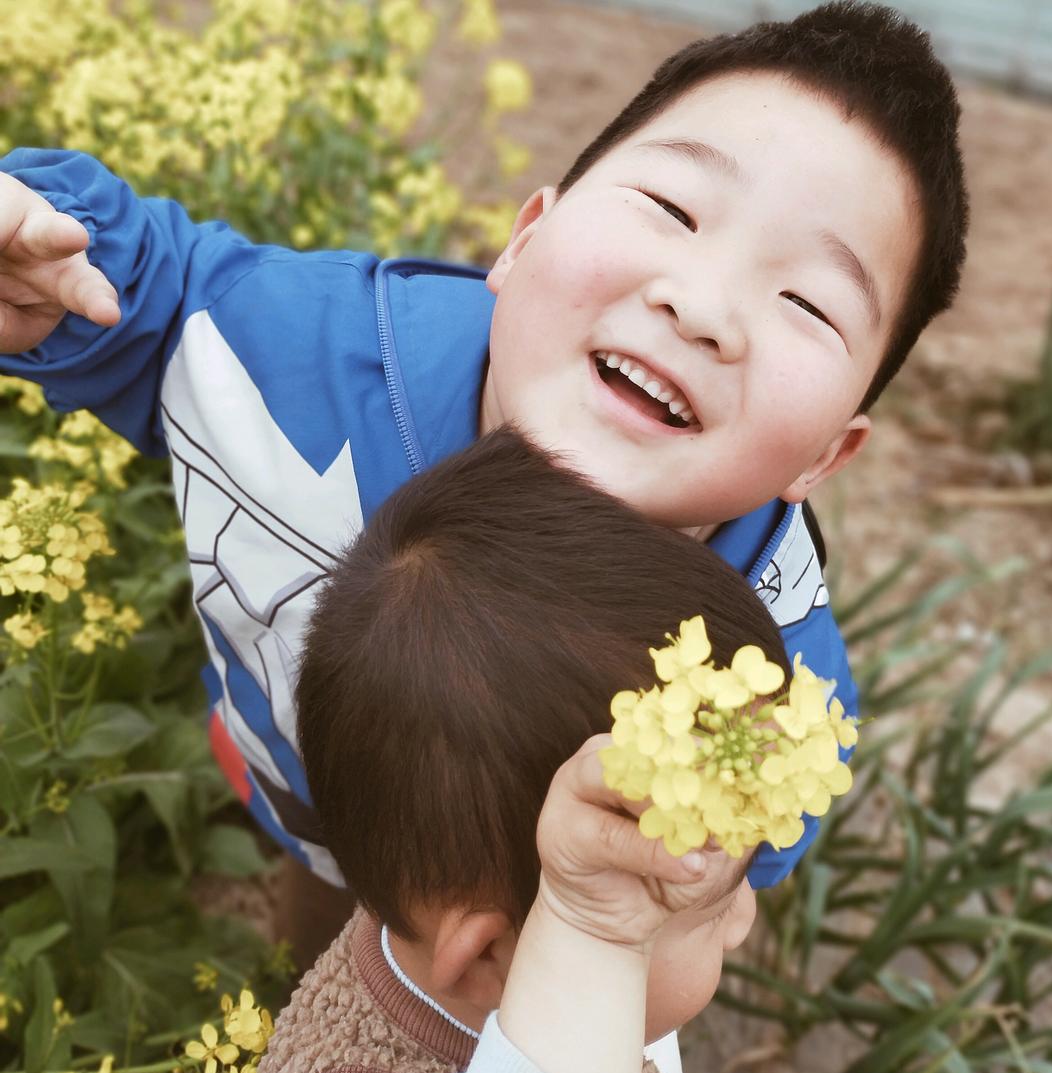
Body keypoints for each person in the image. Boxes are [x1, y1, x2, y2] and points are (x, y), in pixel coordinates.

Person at [0, 0, 968, 960]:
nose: (704, 306)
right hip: (302, 787)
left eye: (807, 301)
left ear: (826, 456)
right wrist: (40, 258)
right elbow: (152, 291)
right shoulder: (297, 353)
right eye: (673, 210)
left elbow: (714, 887)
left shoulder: (770, 677)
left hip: (539, 944)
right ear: (523, 240)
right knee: (326, 925)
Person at [258, 428, 781, 1073]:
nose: (743, 919)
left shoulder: (453, 897)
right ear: (488, 960)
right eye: (707, 913)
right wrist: (595, 934)